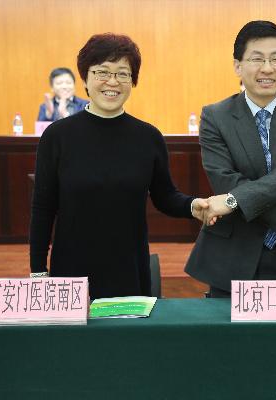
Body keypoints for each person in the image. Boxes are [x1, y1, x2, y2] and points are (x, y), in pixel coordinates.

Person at [30, 33, 213, 299]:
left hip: (129, 269)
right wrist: (38, 271)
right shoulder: (57, 136)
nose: (113, 81)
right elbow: (43, 208)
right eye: (102, 72)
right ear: (85, 79)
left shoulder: (148, 137)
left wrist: (193, 206)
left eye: (123, 74)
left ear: (132, 81)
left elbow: (165, 196)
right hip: (71, 270)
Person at [185, 20, 276, 297]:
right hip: (232, 254)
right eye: (257, 59)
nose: (267, 68)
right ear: (238, 66)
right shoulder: (215, 116)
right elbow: (224, 180)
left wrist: (232, 201)